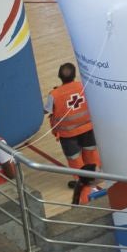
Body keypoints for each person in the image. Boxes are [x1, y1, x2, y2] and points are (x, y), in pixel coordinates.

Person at [45, 62, 102, 205]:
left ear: (59, 76)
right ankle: (95, 181)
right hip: (87, 128)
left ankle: (84, 188)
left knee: (75, 160)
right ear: (75, 74)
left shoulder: (54, 94)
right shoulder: (84, 85)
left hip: (68, 135)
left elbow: (47, 110)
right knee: (91, 155)